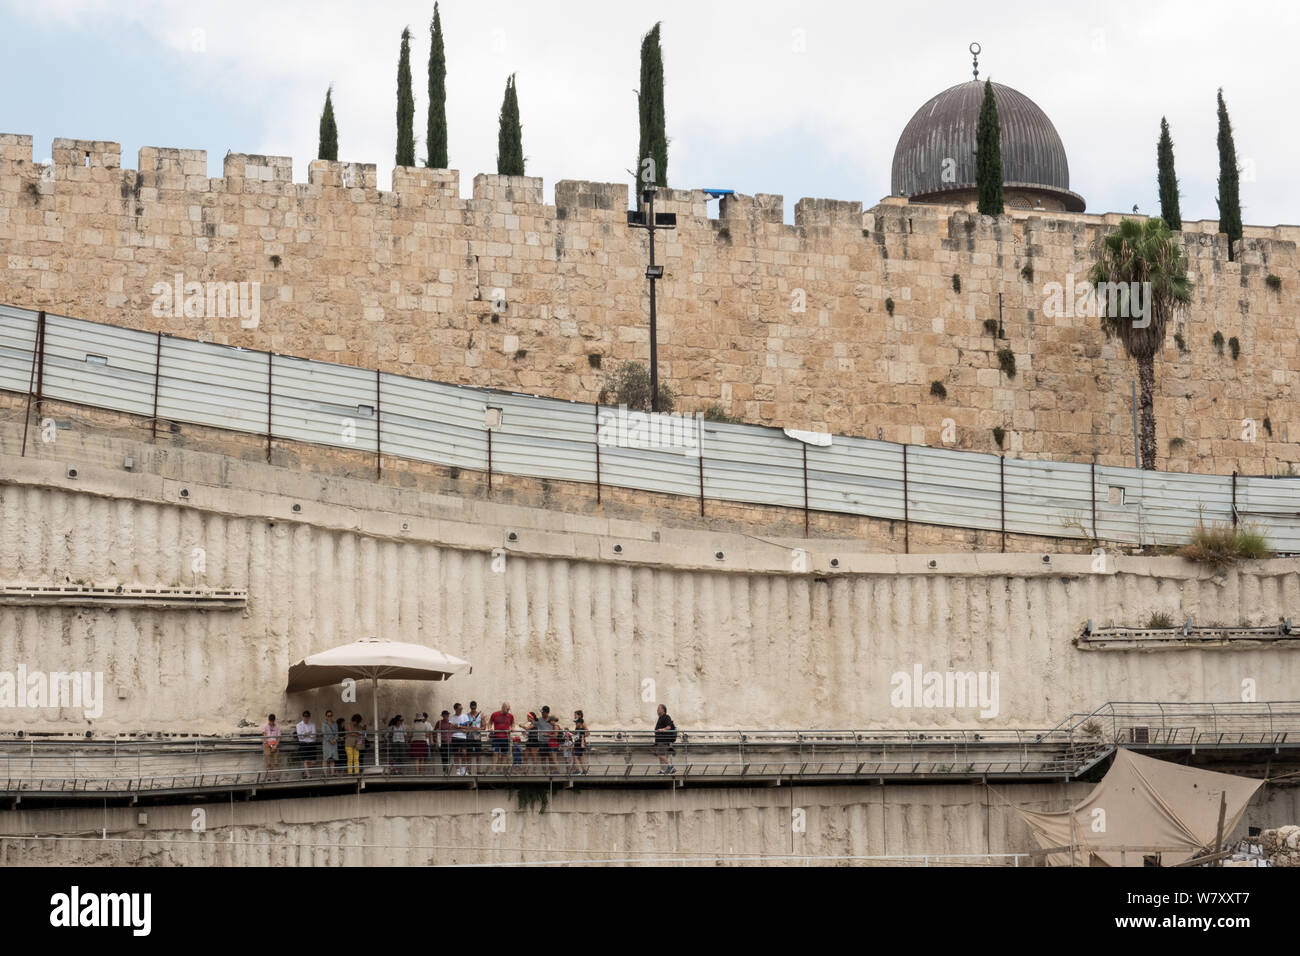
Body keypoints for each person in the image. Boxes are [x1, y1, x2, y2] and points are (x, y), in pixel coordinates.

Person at [489, 702, 515, 770]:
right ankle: (494, 769)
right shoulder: (495, 714)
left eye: (509, 709)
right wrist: (490, 728)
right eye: (507, 709)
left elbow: (513, 723)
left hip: (506, 738)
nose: (508, 711)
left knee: (504, 754)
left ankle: (502, 769)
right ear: (503, 708)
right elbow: (490, 722)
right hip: (496, 737)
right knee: (495, 753)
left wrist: (512, 728)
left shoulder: (510, 716)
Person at [653, 704, 676, 774]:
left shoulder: (666, 717)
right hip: (659, 740)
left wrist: (662, 729)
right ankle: (662, 770)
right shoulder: (660, 718)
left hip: (664, 740)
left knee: (660, 754)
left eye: (658, 708)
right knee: (660, 755)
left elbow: (669, 727)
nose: (657, 710)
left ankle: (670, 766)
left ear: (663, 710)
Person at [296, 710, 318, 777]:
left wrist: (305, 734)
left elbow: (314, 735)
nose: (306, 718)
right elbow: (300, 736)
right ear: (302, 717)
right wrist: (308, 733)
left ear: (309, 717)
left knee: (313, 762)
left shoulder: (312, 724)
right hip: (303, 744)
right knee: (305, 760)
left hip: (311, 744)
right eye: (305, 716)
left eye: (307, 716)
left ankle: (305, 771)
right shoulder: (298, 725)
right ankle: (309, 776)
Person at [449, 703, 469, 774]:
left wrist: (457, 726)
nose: (461, 710)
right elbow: (450, 728)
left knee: (464, 753)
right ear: (455, 709)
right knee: (456, 754)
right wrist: (461, 728)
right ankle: (458, 770)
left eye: (461, 708)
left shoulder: (465, 716)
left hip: (463, 737)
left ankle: (463, 769)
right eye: (460, 709)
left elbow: (467, 728)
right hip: (455, 736)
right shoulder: (452, 717)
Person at [466, 701, 485, 773]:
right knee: (469, 754)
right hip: (469, 737)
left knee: (478, 754)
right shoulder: (467, 715)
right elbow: (466, 726)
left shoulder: (481, 715)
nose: (473, 709)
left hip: (477, 737)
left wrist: (478, 729)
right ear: (470, 707)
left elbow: (484, 727)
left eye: (474, 707)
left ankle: (478, 771)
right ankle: (469, 771)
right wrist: (469, 728)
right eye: (472, 708)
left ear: (476, 707)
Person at [434, 710, 454, 774]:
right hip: (441, 741)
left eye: (447, 715)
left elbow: (453, 731)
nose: (446, 716)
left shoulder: (450, 723)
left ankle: (446, 768)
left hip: (449, 742)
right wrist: (435, 739)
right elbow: (435, 730)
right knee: (443, 756)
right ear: (442, 716)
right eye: (444, 715)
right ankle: (445, 769)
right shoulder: (439, 722)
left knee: (448, 756)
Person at [321, 709, 339, 775]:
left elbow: (337, 733)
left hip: (334, 743)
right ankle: (325, 774)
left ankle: (332, 773)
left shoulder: (335, 724)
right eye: (328, 716)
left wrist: (334, 740)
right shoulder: (324, 724)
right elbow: (324, 733)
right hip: (327, 743)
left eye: (331, 715)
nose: (329, 717)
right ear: (326, 716)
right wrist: (330, 740)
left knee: (332, 759)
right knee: (325, 758)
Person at [572, 710, 589, 776]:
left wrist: (582, 741)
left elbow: (587, 732)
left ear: (579, 716)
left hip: (579, 743)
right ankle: (584, 771)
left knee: (576, 757)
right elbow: (577, 734)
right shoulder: (577, 724)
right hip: (577, 742)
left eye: (575, 715)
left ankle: (577, 771)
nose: (574, 716)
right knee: (580, 757)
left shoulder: (582, 723)